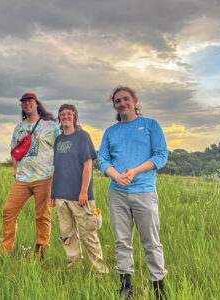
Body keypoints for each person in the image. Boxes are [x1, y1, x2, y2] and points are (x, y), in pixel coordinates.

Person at [98, 86, 168, 299]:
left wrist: (135, 170)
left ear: (135, 100)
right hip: (117, 193)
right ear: (114, 105)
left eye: (125, 99)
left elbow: (161, 155)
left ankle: (158, 287)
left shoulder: (150, 125)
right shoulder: (111, 131)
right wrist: (116, 176)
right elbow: (103, 159)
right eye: (117, 101)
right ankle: (125, 286)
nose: (122, 103)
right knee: (122, 240)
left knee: (151, 241)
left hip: (144, 191)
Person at [50, 104, 109, 273]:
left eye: (69, 114)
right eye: (62, 114)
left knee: (88, 234)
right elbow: (57, 168)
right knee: (68, 235)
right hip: (61, 195)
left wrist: (83, 191)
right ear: (59, 118)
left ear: (75, 116)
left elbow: (88, 164)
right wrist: (52, 194)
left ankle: (99, 271)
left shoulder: (83, 137)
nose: (65, 116)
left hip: (80, 196)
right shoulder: (59, 140)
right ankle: (74, 269)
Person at [0, 93, 59, 258]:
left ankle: (41, 251)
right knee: (9, 210)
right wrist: (15, 169)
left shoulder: (51, 126)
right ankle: (6, 249)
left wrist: (55, 171)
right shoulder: (19, 127)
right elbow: (13, 149)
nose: (27, 104)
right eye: (24, 102)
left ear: (36, 104)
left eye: (30, 101)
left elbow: (59, 150)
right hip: (23, 178)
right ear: (22, 106)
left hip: (45, 177)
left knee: (42, 215)